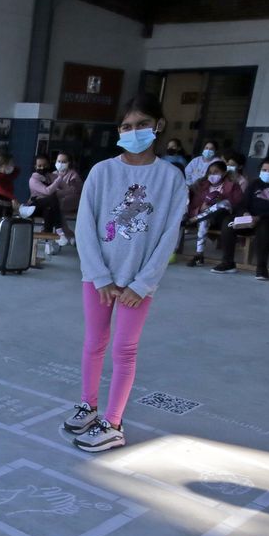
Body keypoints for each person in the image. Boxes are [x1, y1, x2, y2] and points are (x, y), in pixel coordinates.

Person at [67, 94, 187, 453]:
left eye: (141, 125)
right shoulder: (103, 171)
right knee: (94, 342)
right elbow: (85, 225)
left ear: (158, 126)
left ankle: (113, 423)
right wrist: (99, 275)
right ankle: (89, 405)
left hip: (138, 281)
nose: (134, 132)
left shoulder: (170, 177)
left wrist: (143, 283)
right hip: (99, 276)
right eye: (126, 126)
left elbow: (169, 235)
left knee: (124, 348)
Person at [211, 155, 269, 281]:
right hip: (250, 219)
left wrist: (259, 217)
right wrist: (245, 214)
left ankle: (261, 268)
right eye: (264, 170)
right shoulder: (255, 183)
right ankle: (228, 263)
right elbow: (243, 204)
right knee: (228, 222)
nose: (267, 173)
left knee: (264, 227)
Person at [184, 159, 242, 267]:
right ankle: (199, 255)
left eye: (216, 172)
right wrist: (201, 207)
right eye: (210, 173)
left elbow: (237, 204)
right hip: (206, 217)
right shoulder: (202, 186)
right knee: (204, 219)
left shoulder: (233, 186)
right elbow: (193, 205)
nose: (212, 175)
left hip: (223, 219)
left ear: (224, 173)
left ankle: (193, 220)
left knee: (224, 202)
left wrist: (219, 200)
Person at [28, 152, 68, 247]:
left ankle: (48, 243)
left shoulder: (52, 176)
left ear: (49, 165)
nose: (42, 168)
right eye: (39, 166)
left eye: (44, 165)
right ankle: (59, 230)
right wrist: (59, 179)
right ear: (35, 166)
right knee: (51, 198)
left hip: (47, 206)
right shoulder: (33, 179)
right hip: (34, 207)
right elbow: (47, 191)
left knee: (49, 210)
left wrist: (58, 185)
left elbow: (67, 189)